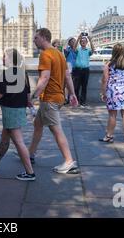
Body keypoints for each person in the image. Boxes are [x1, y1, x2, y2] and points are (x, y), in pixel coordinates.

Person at [28, 28, 79, 174]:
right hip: (59, 97)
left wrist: (33, 96)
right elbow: (67, 76)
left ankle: (69, 161)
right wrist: (73, 94)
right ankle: (29, 154)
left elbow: (44, 78)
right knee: (37, 124)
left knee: (56, 130)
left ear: (44, 37)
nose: (34, 40)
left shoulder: (45, 55)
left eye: (36, 38)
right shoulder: (59, 54)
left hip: (49, 98)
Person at [0, 49, 36, 181]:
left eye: (4, 56)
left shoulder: (6, 74)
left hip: (10, 110)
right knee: (5, 139)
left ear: (11, 59)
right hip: (19, 109)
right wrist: (28, 104)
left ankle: (30, 172)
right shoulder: (23, 72)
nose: (2, 59)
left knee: (18, 142)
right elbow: (28, 94)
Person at [99, 43, 124, 145]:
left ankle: (109, 136)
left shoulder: (109, 65)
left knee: (112, 115)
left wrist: (103, 93)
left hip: (113, 92)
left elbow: (104, 80)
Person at [72, 33, 95, 107]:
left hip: (85, 70)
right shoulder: (78, 50)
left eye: (85, 41)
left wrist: (90, 40)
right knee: (76, 87)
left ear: (86, 43)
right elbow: (74, 48)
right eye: (82, 41)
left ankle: (83, 102)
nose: (83, 42)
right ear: (80, 43)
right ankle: (76, 101)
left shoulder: (88, 51)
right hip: (77, 70)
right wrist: (78, 38)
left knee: (84, 86)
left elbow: (93, 50)